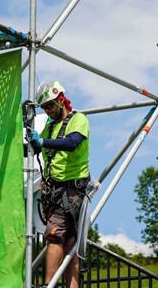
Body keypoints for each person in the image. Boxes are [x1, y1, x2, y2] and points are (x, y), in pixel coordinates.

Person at [27, 80, 90, 288]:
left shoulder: (78, 120)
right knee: (69, 243)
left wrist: (42, 142)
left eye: (50, 106)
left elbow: (72, 143)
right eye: (44, 107)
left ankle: (48, 285)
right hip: (55, 192)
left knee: (54, 235)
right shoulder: (50, 127)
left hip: (72, 190)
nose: (48, 111)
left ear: (61, 100)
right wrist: (30, 137)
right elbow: (36, 148)